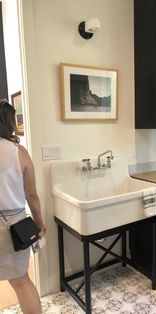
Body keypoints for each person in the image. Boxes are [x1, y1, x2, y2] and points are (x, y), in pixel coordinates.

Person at [0, 98, 46, 314]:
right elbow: (32, 194)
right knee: (21, 282)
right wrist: (39, 222)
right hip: (14, 227)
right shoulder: (19, 152)